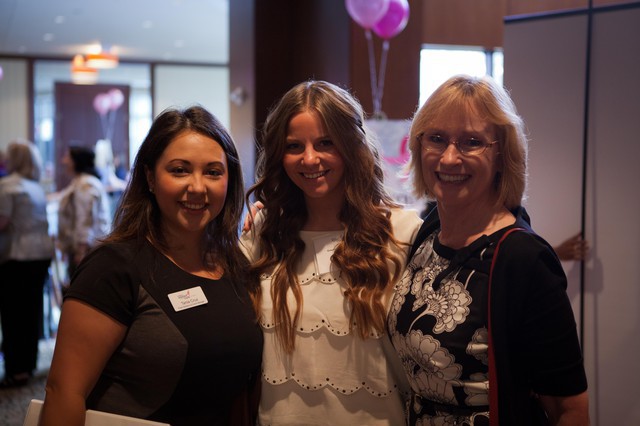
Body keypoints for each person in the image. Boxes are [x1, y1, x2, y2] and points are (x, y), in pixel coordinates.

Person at [40, 106, 263, 426]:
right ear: (149, 177)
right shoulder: (114, 266)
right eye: (179, 170)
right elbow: (64, 392)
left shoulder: (235, 264)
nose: (198, 187)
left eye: (213, 172)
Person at [389, 75, 589, 425]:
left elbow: (569, 409)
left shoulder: (526, 259)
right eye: (436, 139)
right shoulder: (429, 232)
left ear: (501, 156)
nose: (450, 158)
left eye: (471, 142)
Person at [240, 80, 422, 425]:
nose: (310, 159)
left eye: (325, 143)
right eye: (294, 146)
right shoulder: (263, 232)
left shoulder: (402, 232)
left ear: (352, 145)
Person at [0, 140, 54, 388]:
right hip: (41, 255)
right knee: (31, 312)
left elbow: (2, 222)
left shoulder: (7, 186)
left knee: (13, 314)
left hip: (17, 256)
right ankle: (28, 365)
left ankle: (16, 368)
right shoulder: (36, 188)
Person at [54, 145, 111, 278]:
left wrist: (81, 251)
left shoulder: (86, 184)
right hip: (85, 250)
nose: (63, 161)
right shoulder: (80, 182)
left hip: (87, 251)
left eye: (67, 157)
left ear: (76, 161)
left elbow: (85, 218)